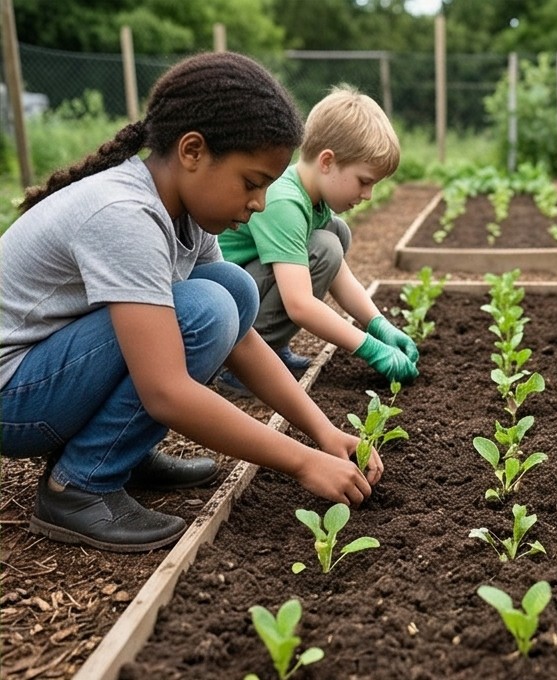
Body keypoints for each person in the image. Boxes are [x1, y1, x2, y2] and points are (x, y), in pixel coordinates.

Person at [0, 53, 382, 554]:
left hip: (48, 373)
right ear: (193, 152)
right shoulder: (126, 216)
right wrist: (302, 462)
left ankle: (121, 451)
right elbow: (166, 391)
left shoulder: (186, 213)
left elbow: (241, 343)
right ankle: (80, 486)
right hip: (14, 397)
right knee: (205, 309)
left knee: (233, 289)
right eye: (252, 182)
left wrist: (322, 433)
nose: (260, 203)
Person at [215, 85, 417, 398]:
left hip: (243, 300)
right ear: (326, 161)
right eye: (364, 181)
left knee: (335, 233)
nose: (367, 195)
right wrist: (369, 349)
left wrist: (378, 324)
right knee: (324, 247)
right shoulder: (284, 200)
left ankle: (272, 349)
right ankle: (242, 367)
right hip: (222, 315)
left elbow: (342, 278)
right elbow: (300, 305)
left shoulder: (314, 201)